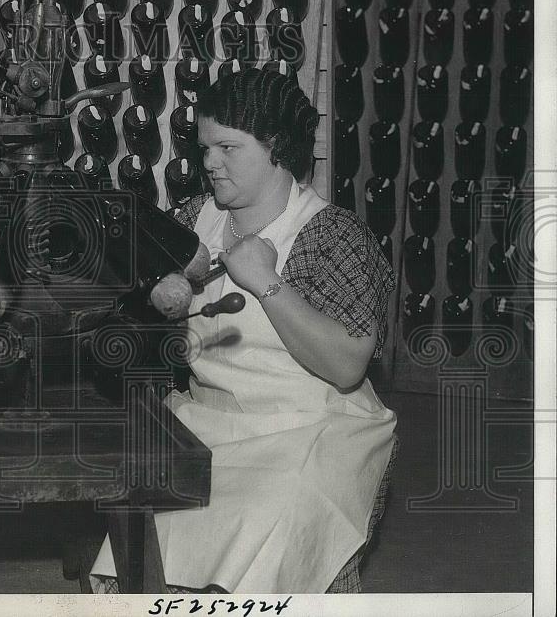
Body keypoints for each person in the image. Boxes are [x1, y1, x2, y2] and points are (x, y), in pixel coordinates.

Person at [90, 67, 398, 593]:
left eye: (228, 148)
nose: (210, 162)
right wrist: (150, 299)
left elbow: (347, 367)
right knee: (140, 553)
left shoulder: (332, 236)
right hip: (205, 425)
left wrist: (266, 282)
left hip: (309, 430)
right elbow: (125, 307)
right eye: (206, 147)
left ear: (277, 146)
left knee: (269, 519)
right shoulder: (191, 220)